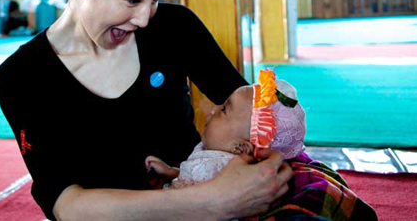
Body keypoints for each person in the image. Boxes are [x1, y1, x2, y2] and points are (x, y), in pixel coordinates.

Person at [0, 0, 294, 220]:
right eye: (134, 0)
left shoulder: (176, 27)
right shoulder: (22, 75)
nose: (145, 18)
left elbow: (252, 117)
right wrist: (211, 202)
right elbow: (67, 204)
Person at [146, 69, 378, 220]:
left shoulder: (230, 169)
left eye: (224, 110)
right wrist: (171, 172)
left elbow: (201, 194)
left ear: (242, 147)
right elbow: (193, 172)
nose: (213, 109)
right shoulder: (209, 150)